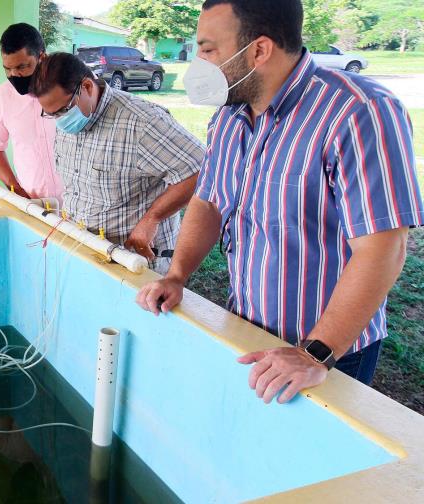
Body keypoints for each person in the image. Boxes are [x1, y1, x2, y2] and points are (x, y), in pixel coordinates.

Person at [135, 0, 423, 403]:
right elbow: (209, 202)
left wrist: (316, 352)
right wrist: (176, 275)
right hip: (248, 327)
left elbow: (384, 248)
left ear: (259, 50)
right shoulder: (230, 118)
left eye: (208, 49)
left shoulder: (358, 112)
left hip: (328, 354)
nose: (198, 63)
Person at [31, 53, 204, 273]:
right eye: (50, 114)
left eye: (64, 111)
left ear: (87, 86)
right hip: (85, 253)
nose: (60, 120)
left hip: (135, 262)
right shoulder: (68, 119)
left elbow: (201, 170)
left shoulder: (141, 123)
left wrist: (153, 218)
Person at [0, 23, 62, 200]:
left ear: (42, 58)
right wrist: (16, 190)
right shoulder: (1, 98)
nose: (14, 75)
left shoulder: (68, 88)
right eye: (7, 69)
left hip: (83, 209)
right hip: (34, 205)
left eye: (22, 67)